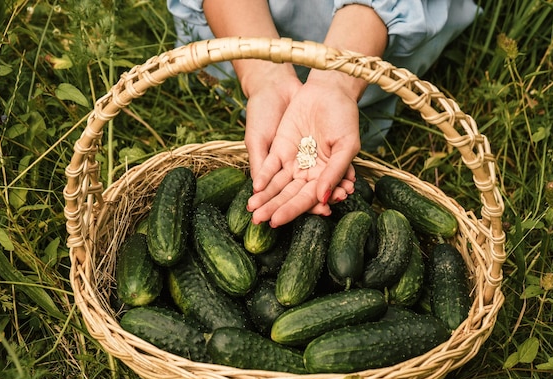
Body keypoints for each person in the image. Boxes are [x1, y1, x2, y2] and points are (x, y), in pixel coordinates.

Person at [167, 0, 480, 228]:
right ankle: (264, 74)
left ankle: (354, 88)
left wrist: (338, 80)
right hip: (244, 30)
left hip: (364, 45)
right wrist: (262, 76)